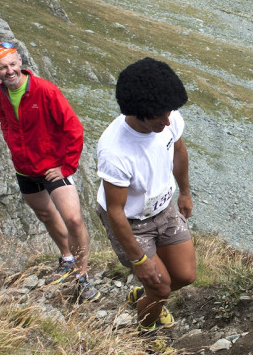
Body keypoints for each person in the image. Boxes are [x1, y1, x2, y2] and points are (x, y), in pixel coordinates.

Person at [0, 41, 100, 301]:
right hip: (25, 169)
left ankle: (82, 277)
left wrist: (65, 166)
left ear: (20, 62)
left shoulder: (45, 91)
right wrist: (12, 144)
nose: (10, 71)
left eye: (13, 64)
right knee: (45, 214)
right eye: (3, 67)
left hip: (53, 168)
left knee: (73, 219)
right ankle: (66, 259)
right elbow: (3, 119)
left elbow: (74, 128)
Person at [96, 57, 196, 333]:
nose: (168, 121)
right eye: (159, 117)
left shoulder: (168, 118)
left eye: (169, 113)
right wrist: (139, 261)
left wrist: (185, 193)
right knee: (162, 287)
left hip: (163, 209)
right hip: (130, 221)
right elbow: (115, 211)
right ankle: (144, 336)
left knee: (185, 275)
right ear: (137, 112)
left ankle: (147, 298)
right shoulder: (115, 152)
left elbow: (179, 152)